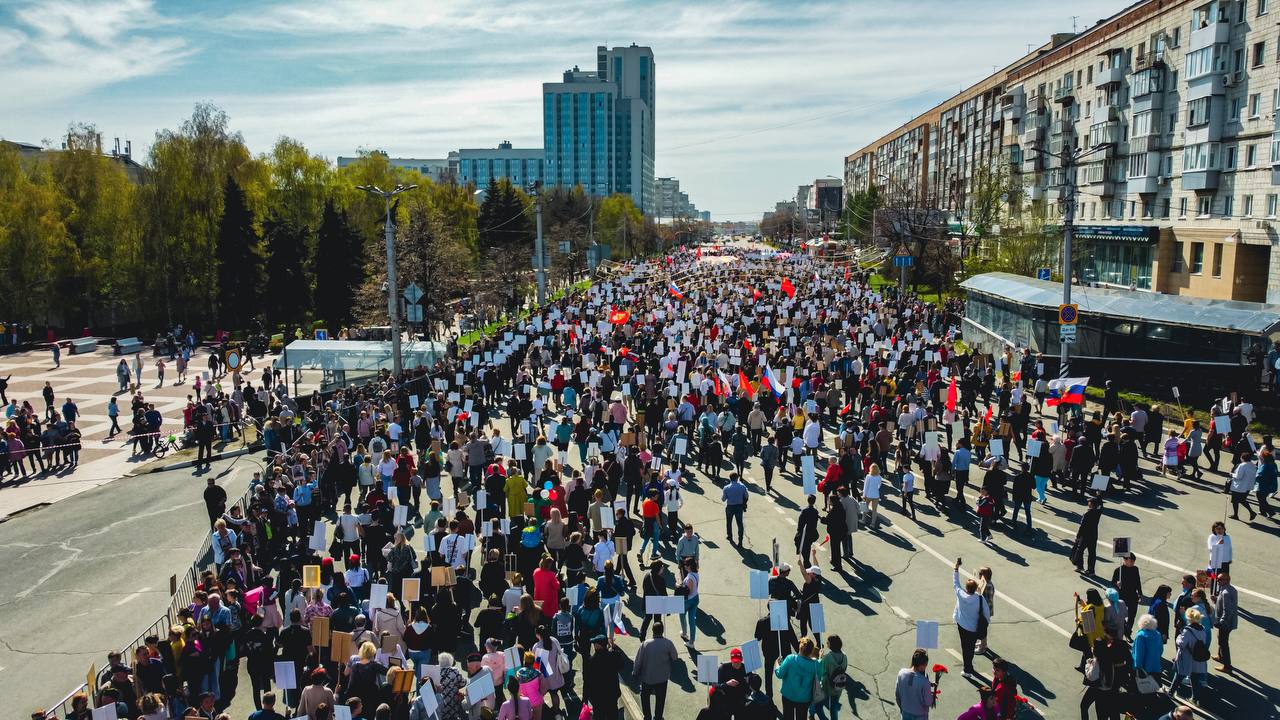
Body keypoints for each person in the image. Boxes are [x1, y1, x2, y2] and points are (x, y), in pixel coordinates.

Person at [952, 560, 990, 678]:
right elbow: (986, 613)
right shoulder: (979, 598)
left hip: (962, 625)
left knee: (965, 647)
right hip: (973, 629)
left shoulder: (961, 594)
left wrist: (956, 568)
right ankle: (969, 667)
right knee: (970, 647)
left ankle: (967, 668)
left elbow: (955, 583)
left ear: (966, 588)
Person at [633, 621, 678, 720]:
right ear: (662, 631)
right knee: (660, 699)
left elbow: (638, 660)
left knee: (645, 697)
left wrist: (635, 672)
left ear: (652, 631)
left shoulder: (645, 644)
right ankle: (658, 717)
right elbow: (675, 657)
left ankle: (647, 716)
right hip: (662, 677)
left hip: (647, 677)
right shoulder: (668, 643)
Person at [1167, 607, 1209, 705]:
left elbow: (1181, 643)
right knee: (1194, 678)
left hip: (1186, 658)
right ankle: (1195, 699)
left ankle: (1171, 692)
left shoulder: (1187, 630)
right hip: (1197, 659)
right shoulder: (1202, 629)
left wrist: (1178, 636)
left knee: (1179, 675)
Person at [774, 636, 819, 720]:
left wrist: (777, 664)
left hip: (788, 696)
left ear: (800, 648)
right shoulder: (816, 665)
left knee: (788, 717)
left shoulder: (790, 659)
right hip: (804, 699)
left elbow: (779, 674)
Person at [814, 634, 848, 720]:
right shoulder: (844, 656)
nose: (826, 643)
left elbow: (821, 670)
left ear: (831, 645)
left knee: (818, 707)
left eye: (828, 642)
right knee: (834, 707)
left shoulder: (828, 657)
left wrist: (820, 657)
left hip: (826, 687)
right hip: (838, 686)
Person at [1110, 553, 1143, 640]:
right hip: (1122, 596)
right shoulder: (1118, 570)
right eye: (1131, 561)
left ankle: (1128, 632)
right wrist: (1117, 584)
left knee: (1132, 616)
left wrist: (1140, 593)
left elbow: (1137, 581)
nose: (1132, 563)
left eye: (1133, 561)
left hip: (1133, 595)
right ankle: (1124, 629)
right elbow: (1112, 583)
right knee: (1121, 615)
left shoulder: (1135, 569)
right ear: (1125, 560)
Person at [893, 648, 932, 720]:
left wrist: (903, 708)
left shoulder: (901, 673)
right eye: (926, 664)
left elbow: (897, 694)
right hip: (920, 716)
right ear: (922, 665)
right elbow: (928, 702)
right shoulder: (924, 682)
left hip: (905, 712)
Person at [1213, 572, 1239, 673]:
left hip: (1226, 623)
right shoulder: (1230, 589)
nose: (1218, 581)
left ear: (1227, 580)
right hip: (1230, 621)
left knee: (1223, 643)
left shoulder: (1225, 592)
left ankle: (1227, 666)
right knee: (1220, 638)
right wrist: (1216, 600)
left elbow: (1227, 610)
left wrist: (1221, 622)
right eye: (1218, 579)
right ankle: (1220, 656)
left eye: (1220, 580)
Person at [1071, 498, 1103, 575]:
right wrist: (1099, 496)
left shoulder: (1087, 514)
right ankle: (1091, 570)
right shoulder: (1098, 512)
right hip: (1094, 535)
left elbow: (1082, 526)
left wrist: (1078, 536)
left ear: (1091, 504)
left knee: (1079, 551)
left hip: (1085, 536)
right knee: (1092, 553)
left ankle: (1080, 566)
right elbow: (1101, 505)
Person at [721, 472, 749, 545]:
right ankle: (740, 540)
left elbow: (723, 499)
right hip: (739, 507)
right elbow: (746, 496)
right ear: (737, 478)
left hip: (730, 507)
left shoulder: (726, 488)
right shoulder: (742, 486)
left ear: (730, 478)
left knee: (729, 522)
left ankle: (730, 536)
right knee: (740, 524)